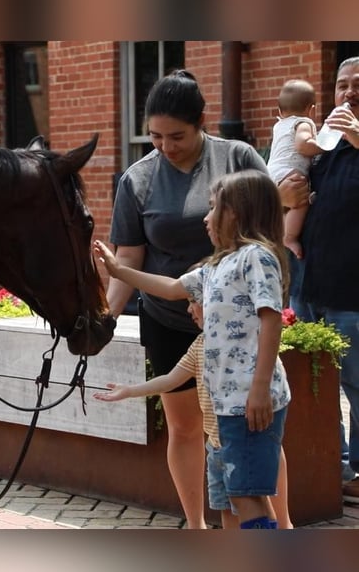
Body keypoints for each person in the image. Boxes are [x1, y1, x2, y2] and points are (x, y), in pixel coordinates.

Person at [103, 69, 269, 528]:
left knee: (250, 431)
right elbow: (128, 259)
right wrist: (106, 319)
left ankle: (283, 526)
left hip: (238, 325)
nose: (164, 146)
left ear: (201, 122)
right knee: (185, 427)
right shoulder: (137, 180)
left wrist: (215, 283)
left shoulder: (237, 158)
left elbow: (267, 239)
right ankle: (196, 527)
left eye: (175, 135)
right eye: (154, 136)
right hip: (168, 319)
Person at [96, 168, 292, 529]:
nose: (206, 217)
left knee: (248, 497)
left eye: (215, 207)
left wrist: (260, 388)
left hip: (249, 402)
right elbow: (171, 287)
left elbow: (271, 318)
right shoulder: (215, 266)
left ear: (238, 213)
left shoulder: (256, 258)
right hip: (227, 406)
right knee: (235, 498)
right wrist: (119, 272)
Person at [99, 299, 293, 529]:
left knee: (259, 508)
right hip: (217, 448)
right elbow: (171, 380)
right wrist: (130, 391)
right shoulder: (200, 345)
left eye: (194, 302)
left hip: (244, 445)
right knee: (228, 511)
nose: (189, 309)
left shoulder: (246, 340)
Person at [281, 56, 359, 499]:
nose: (348, 92)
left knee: (356, 384)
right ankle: (337, 465)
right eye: (341, 85)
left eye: (358, 84)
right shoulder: (326, 149)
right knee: (318, 384)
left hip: (353, 294)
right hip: (310, 287)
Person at [266, 79, 322, 260]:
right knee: (300, 202)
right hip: (290, 170)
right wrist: (324, 146)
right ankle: (289, 237)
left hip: (272, 171)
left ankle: (283, 230)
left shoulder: (279, 125)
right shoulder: (303, 122)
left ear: (279, 111)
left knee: (287, 207)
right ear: (311, 109)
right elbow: (303, 145)